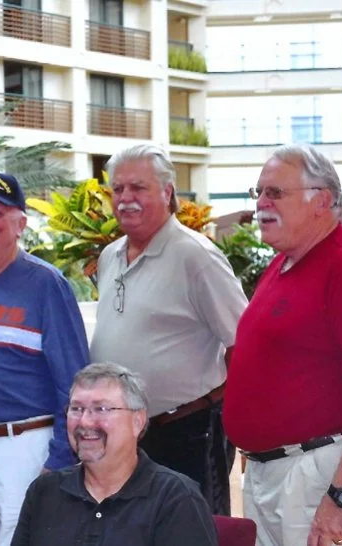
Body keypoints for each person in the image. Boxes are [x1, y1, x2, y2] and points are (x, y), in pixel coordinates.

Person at [223, 144, 342, 546]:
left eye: (275, 193)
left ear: (322, 200)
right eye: (258, 193)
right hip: (277, 476)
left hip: (321, 476)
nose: (261, 204)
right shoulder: (286, 262)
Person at [89, 144, 248, 515]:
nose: (126, 198)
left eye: (139, 188)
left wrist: (234, 422)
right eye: (118, 189)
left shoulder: (196, 256)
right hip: (124, 433)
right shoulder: (110, 255)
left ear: (168, 192)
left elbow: (243, 344)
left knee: (192, 531)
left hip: (187, 431)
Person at [0, 171, 89, 546]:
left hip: (21, 447)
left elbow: (74, 381)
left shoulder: (47, 284)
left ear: (21, 223)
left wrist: (60, 457)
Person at [11, 362, 217, 545]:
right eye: (76, 409)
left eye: (100, 409)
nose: (84, 422)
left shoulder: (175, 497)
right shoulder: (45, 492)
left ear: (138, 421)